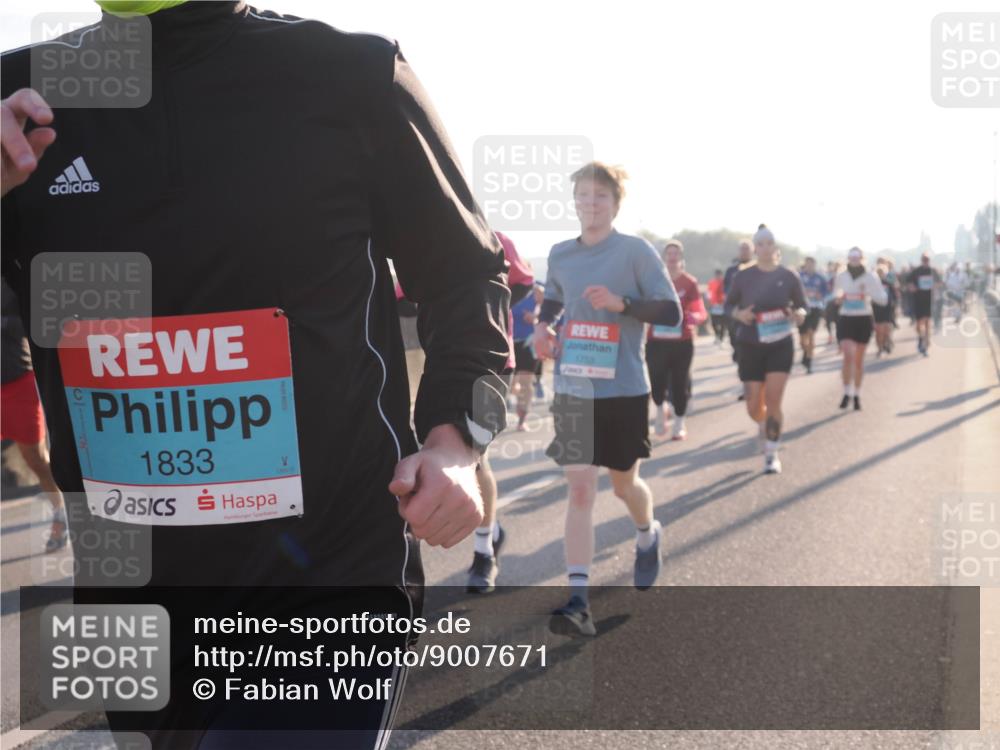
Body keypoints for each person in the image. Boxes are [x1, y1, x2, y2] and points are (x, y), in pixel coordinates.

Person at [2, 2, 512, 747]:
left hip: (329, 578)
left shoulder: (349, 74)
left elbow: (465, 274)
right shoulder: (19, 99)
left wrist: (455, 442)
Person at [533, 162, 679, 637]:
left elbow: (671, 312)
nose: (590, 203)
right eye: (583, 194)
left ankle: (647, 532)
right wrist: (544, 327)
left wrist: (623, 305)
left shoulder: (635, 252)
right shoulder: (560, 254)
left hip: (623, 388)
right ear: (574, 201)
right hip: (574, 386)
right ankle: (578, 601)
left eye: (600, 196)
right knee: (580, 489)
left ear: (616, 204)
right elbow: (555, 299)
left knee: (623, 486)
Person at [467, 231, 533, 594]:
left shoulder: (494, 237)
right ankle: (491, 531)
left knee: (477, 454)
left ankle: (484, 554)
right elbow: (402, 301)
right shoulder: (425, 234)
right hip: (445, 361)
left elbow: (523, 282)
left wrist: (485, 304)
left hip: (493, 361)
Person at [725, 225, 806, 475]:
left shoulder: (789, 276)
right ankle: (762, 423)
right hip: (750, 344)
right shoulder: (743, 276)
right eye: (760, 244)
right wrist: (739, 314)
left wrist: (799, 315)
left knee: (773, 400)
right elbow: (728, 306)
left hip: (780, 343)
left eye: (770, 243)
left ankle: (772, 452)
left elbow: (803, 306)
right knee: (753, 405)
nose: (766, 248)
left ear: (775, 247)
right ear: (755, 248)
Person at [1, 279, 67, 552]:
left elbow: (33, 321)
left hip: (18, 386)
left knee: (37, 460)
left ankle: (61, 513)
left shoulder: (8, 282)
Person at [646, 240, 707, 440]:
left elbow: (700, 311)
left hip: (682, 342)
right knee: (656, 380)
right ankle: (660, 411)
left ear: (681, 258)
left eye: (676, 254)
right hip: (656, 341)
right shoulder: (653, 281)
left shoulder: (689, 282)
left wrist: (694, 318)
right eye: (669, 254)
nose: (672, 257)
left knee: (680, 382)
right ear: (664, 258)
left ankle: (680, 422)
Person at [833, 248, 887, 410]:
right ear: (848, 258)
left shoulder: (870, 276)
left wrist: (867, 293)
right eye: (851, 256)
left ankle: (856, 394)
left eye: (857, 257)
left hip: (863, 319)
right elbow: (835, 295)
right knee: (847, 356)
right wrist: (839, 298)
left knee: (858, 360)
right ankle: (846, 392)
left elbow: (883, 299)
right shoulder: (841, 275)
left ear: (862, 258)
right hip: (846, 318)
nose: (854, 259)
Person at [510, 282, 544, 431]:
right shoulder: (505, 286)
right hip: (509, 343)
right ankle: (513, 395)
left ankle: (521, 420)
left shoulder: (536, 290)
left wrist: (536, 317)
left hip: (528, 343)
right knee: (510, 383)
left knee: (526, 381)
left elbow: (551, 308)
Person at [797, 256, 828, 374]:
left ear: (815, 265)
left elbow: (826, 291)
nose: (809, 266)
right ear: (805, 265)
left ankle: (809, 362)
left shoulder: (820, 277)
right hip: (802, 309)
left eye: (811, 264)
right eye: (807, 264)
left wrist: (821, 295)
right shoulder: (799, 276)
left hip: (815, 308)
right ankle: (806, 353)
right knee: (802, 340)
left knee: (811, 334)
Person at [908, 253, 941, 356]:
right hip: (918, 300)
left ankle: (926, 342)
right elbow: (909, 282)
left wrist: (934, 285)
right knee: (918, 324)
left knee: (927, 321)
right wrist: (912, 287)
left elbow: (940, 282)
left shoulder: (933, 271)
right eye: (924, 259)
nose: (926, 261)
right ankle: (921, 338)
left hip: (929, 299)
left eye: (927, 259)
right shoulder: (916, 271)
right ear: (921, 260)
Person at [872, 263, 898, 356]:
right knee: (878, 330)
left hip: (887, 308)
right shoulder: (873, 285)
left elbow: (894, 295)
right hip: (876, 308)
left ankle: (886, 342)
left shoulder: (888, 283)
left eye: (882, 273)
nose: (880, 275)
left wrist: (894, 305)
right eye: (879, 273)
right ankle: (880, 348)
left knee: (887, 328)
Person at [706, 268, 727, 346]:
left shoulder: (725, 283)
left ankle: (721, 338)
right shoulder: (711, 283)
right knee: (714, 323)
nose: (718, 276)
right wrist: (709, 302)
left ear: (721, 275)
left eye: (719, 275)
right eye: (716, 275)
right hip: (714, 305)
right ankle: (717, 335)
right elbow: (709, 293)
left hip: (723, 305)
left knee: (723, 323)